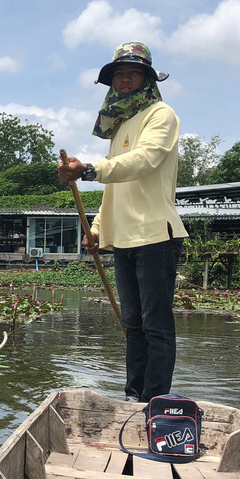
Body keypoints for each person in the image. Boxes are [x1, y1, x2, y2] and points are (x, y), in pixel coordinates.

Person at [58, 42, 187, 402]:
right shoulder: (119, 127)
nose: (125, 79)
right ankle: (133, 398)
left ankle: (155, 400)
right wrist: (98, 227)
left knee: (156, 327)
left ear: (147, 78)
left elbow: (144, 160)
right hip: (125, 238)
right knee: (133, 326)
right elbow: (117, 190)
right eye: (119, 74)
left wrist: (89, 169)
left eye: (133, 73)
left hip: (156, 236)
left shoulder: (161, 115)